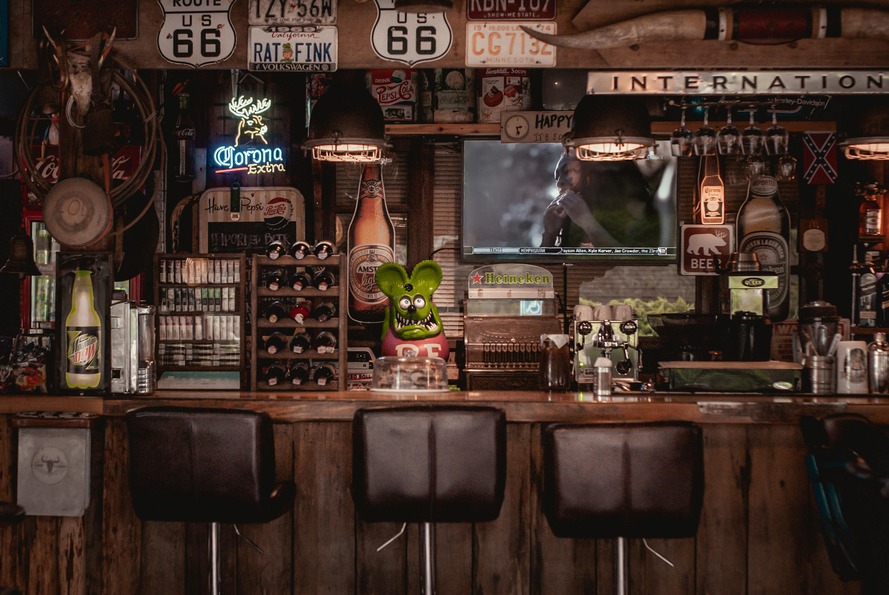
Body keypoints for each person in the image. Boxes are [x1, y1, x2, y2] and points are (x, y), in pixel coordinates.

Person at [541, 148, 671, 248]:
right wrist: (549, 235)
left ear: (594, 175)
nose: (559, 182)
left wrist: (587, 223)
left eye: (567, 171)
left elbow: (636, 266)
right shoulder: (571, 224)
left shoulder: (636, 211)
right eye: (556, 177)